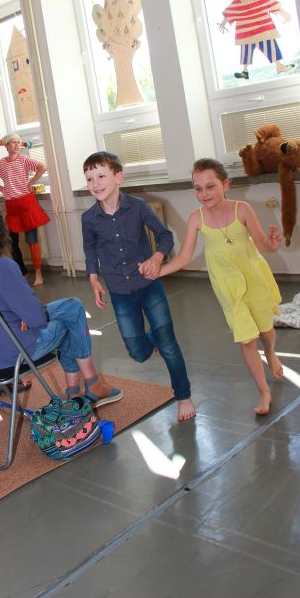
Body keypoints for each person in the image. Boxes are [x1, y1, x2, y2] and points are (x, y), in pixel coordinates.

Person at [0, 204, 123, 407]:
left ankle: (79, 391)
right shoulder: (3, 267)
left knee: (69, 312)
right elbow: (37, 318)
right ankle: (87, 386)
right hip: (17, 351)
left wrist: (24, 315)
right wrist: (25, 315)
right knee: (73, 312)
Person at [153, 158, 283, 416]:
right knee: (246, 339)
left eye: (210, 186)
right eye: (198, 188)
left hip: (254, 279)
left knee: (266, 331)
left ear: (225, 185)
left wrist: (272, 245)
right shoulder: (196, 219)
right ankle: (263, 390)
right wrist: (158, 272)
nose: (204, 194)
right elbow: (184, 256)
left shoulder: (242, 210)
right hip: (227, 287)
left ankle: (271, 353)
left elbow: (261, 244)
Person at [82, 151, 195, 422]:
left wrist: (156, 258)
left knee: (169, 345)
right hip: (119, 292)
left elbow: (165, 236)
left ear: (118, 177)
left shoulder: (138, 206)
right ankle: (155, 340)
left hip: (149, 286)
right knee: (138, 352)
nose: (95, 183)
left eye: (101, 176)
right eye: (89, 179)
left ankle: (183, 396)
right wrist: (93, 279)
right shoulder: (88, 218)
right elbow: (90, 251)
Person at [0, 132, 49, 286]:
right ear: (6, 145)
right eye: (13, 142)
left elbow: (42, 167)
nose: (17, 145)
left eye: (19, 142)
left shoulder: (24, 160)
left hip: (27, 204)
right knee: (11, 241)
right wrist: (0, 187)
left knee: (32, 240)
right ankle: (23, 273)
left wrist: (30, 183)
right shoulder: (1, 164)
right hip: (11, 206)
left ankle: (38, 274)